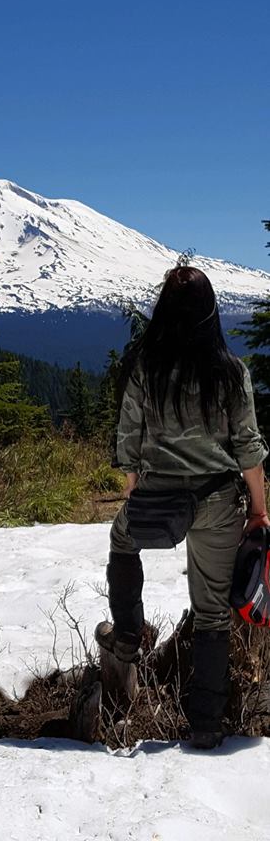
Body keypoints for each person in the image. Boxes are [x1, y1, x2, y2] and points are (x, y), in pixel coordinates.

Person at [96, 265, 269, 749]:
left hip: (157, 497)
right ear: (211, 311)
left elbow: (128, 438)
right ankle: (206, 724)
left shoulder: (145, 368)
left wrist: (134, 486)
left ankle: (128, 635)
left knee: (121, 540)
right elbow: (249, 449)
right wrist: (259, 510)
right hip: (217, 501)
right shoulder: (230, 372)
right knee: (212, 613)